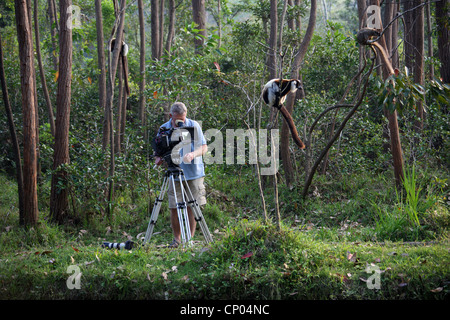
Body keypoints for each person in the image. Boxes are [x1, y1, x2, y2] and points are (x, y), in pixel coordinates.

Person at [155, 102, 207, 248]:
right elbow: (158, 149)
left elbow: (203, 147)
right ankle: (177, 239)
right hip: (174, 173)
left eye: (183, 119)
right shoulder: (164, 128)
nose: (181, 122)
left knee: (192, 205)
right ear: (171, 116)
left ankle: (189, 239)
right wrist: (158, 158)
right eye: (178, 119)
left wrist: (192, 154)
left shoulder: (193, 125)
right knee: (174, 206)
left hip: (193, 172)